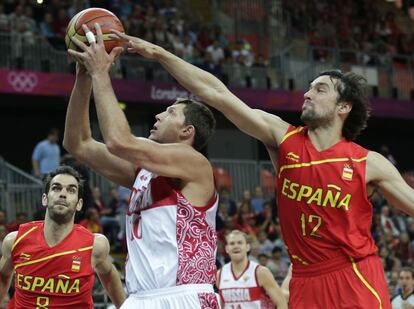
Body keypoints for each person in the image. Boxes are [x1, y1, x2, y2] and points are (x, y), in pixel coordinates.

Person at [109, 31, 414, 309]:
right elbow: (217, 94)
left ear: (343, 107)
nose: (307, 94)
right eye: (308, 89)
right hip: (305, 279)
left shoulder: (367, 162)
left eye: (320, 89)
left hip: (354, 274)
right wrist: (160, 53)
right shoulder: (283, 139)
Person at [64, 23, 219, 308]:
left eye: (171, 112)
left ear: (187, 132)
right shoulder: (144, 175)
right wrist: (83, 77)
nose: (159, 115)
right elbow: (78, 144)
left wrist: (101, 72)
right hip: (139, 297)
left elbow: (118, 141)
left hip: (184, 294)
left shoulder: (194, 162)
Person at [0, 166, 125, 308]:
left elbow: (109, 275)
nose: (63, 194)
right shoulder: (15, 241)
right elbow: (3, 277)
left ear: (79, 204)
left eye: (71, 190)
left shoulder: (95, 245)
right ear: (45, 199)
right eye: (56, 188)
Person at [217, 230, 287, 309]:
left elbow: (282, 303)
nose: (236, 246)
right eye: (232, 243)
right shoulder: (220, 274)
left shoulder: (260, 272)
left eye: (240, 243)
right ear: (226, 248)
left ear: (247, 247)